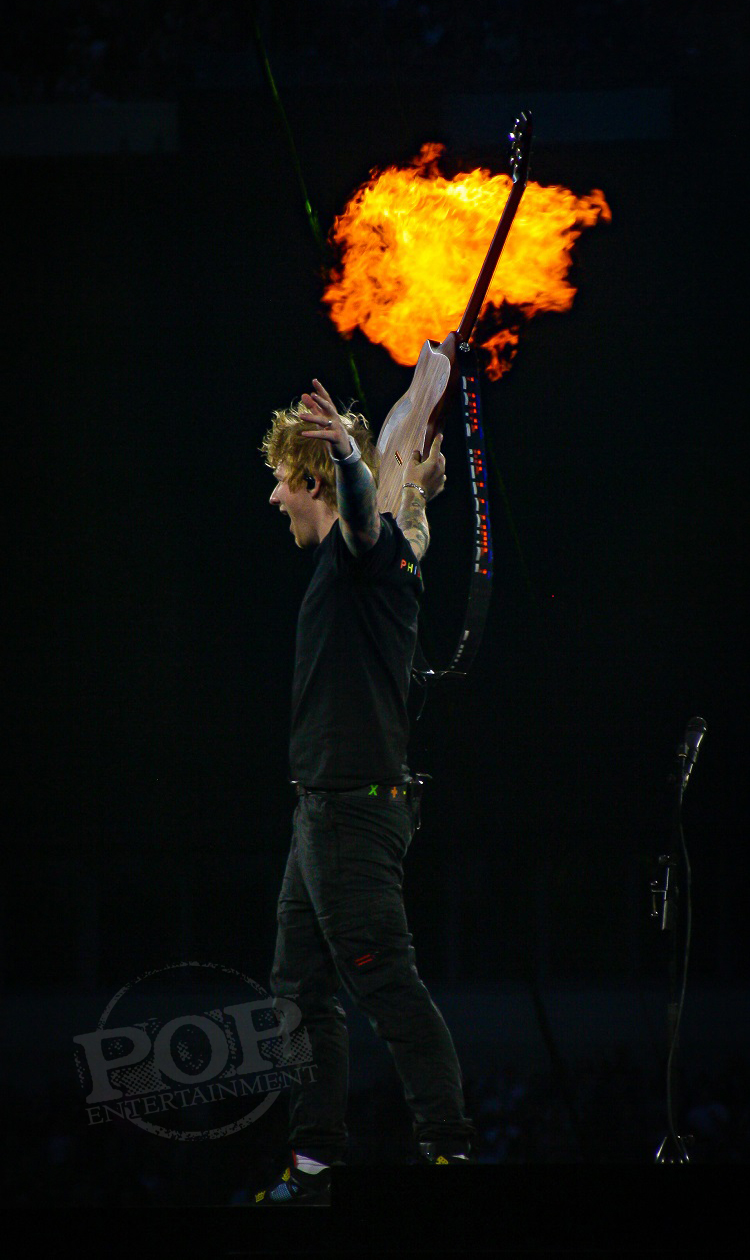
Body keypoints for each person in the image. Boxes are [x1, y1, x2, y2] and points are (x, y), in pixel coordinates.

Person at [252, 379, 475, 1206]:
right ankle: (313, 1169)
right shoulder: (391, 555)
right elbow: (406, 524)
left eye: (283, 480)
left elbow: (366, 516)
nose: (274, 496)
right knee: (298, 994)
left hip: (349, 811)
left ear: (312, 480)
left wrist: (350, 455)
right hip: (323, 810)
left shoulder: (359, 552)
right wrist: (419, 489)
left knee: (384, 983)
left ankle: (449, 1153)